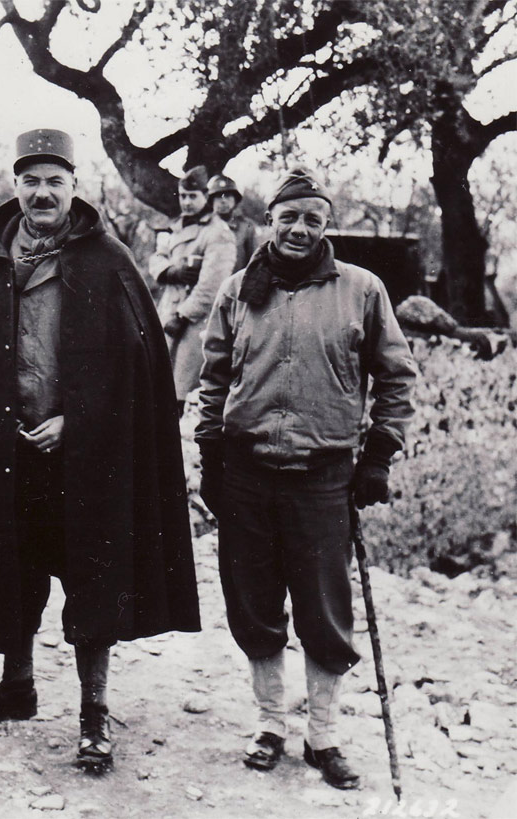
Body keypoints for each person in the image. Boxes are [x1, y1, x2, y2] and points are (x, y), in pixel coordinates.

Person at [0, 129, 200, 773]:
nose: (43, 193)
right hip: (5, 451)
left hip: (85, 458)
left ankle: (93, 713)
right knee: (12, 567)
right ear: (15, 186)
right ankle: (17, 687)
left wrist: (78, 420)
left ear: (74, 187)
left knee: (92, 580)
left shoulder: (109, 260)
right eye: (30, 181)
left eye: (55, 182)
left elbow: (136, 367)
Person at [195, 167, 417, 789]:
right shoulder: (237, 290)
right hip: (245, 472)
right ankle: (270, 725)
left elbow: (396, 378)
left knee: (323, 609)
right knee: (255, 604)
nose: (299, 229)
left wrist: (377, 455)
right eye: (288, 217)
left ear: (326, 227)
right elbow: (213, 381)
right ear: (269, 223)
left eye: (312, 219)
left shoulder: (362, 289)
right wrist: (210, 454)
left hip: (324, 476)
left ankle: (324, 737)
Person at [147, 165, 236, 414]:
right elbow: (156, 258)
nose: (186, 202)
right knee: (158, 387)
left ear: (206, 197)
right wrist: (169, 271)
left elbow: (212, 286)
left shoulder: (218, 233)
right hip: (168, 314)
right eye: (183, 196)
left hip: (194, 321)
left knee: (182, 393)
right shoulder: (178, 227)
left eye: (192, 196)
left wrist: (183, 315)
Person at [207, 173, 259, 274]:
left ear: (235, 200)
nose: (223, 201)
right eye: (218, 196)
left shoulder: (246, 227)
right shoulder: (204, 225)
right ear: (211, 200)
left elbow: (254, 263)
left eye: (228, 196)